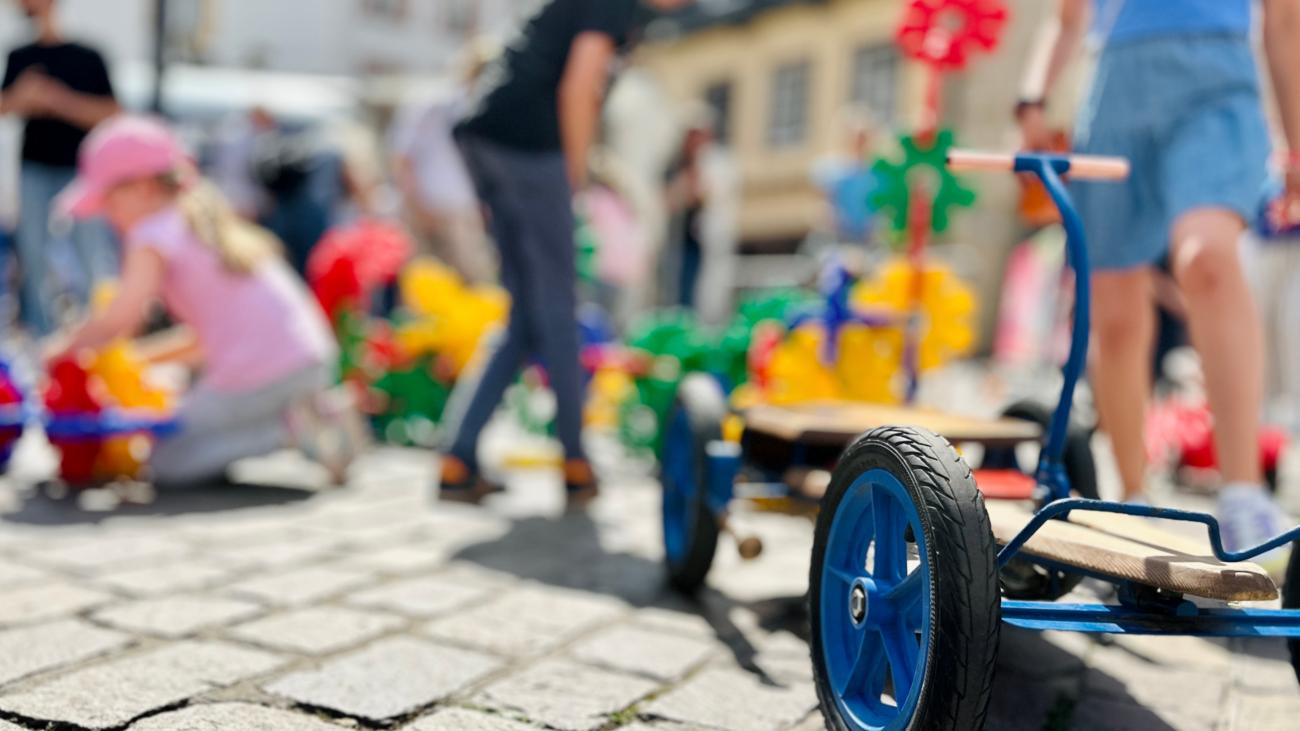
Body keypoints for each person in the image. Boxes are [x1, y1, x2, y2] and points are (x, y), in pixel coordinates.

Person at [1018, 0, 1300, 560]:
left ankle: (1243, 492)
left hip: (1218, 88)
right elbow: (1068, 17)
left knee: (1208, 262)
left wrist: (1295, 141)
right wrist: (1032, 99)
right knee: (1117, 317)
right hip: (1115, 93)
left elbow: (1285, 22)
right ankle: (1133, 495)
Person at [438, 0, 695, 508]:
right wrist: (575, 177)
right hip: (530, 147)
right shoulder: (616, 4)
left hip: (488, 137)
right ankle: (577, 463)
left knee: (529, 316)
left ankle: (457, 457)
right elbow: (580, 85)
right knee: (559, 309)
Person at [45, 116, 356, 486]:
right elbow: (205, 342)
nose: (108, 216)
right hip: (305, 359)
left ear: (142, 187)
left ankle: (291, 431)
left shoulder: (151, 234)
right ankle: (306, 414)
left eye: (109, 202)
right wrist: (140, 360)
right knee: (191, 424)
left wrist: (60, 350)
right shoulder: (197, 222)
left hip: (265, 373)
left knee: (166, 460)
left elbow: (119, 320)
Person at [1, 0, 119, 336]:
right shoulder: (20, 55)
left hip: (80, 171)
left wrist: (58, 100)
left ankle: (96, 331)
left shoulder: (88, 55)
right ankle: (42, 336)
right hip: (34, 169)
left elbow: (111, 112)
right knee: (33, 253)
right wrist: (24, 96)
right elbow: (4, 106)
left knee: (89, 253)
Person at [390, 46, 496, 285]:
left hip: (464, 214)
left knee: (472, 287)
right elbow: (402, 160)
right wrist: (415, 207)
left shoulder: (482, 112)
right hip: (427, 211)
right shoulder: (433, 106)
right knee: (425, 288)